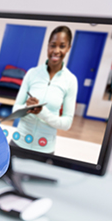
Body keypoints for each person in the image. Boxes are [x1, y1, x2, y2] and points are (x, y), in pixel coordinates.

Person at [10, 26, 78, 154]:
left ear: (68, 48)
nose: (56, 51)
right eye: (53, 45)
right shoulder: (32, 73)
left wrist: (42, 112)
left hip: (45, 148)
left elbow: (67, 123)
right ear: (48, 46)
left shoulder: (70, 80)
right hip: (18, 142)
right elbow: (15, 109)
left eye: (62, 46)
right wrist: (26, 107)